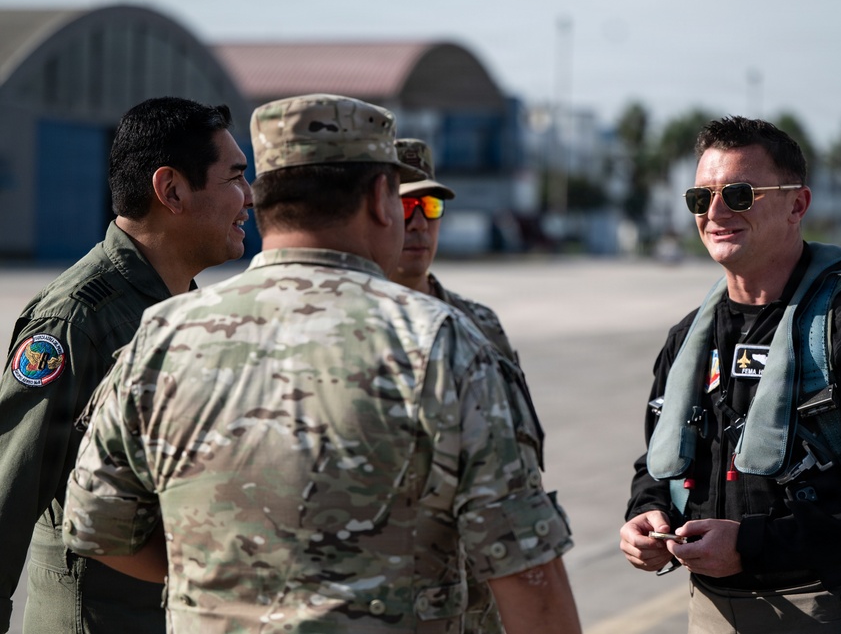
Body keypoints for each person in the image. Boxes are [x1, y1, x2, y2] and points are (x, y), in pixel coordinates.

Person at [62, 93, 581, 634]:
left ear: (263, 199)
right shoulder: (436, 341)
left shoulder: (164, 335)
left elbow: (97, 525)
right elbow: (526, 573)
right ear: (382, 197)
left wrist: (232, 578)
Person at [619, 116, 841, 633]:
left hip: (825, 605)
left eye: (740, 194)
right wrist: (647, 513)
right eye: (701, 197)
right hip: (712, 609)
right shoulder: (687, 339)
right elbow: (658, 461)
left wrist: (752, 547)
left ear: (797, 204)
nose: (715, 212)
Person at [0, 96, 252, 633]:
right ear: (172, 191)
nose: (249, 199)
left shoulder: (181, 309)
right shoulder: (77, 321)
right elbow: (6, 498)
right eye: (235, 178)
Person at [391, 138, 526, 633]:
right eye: (404, 205)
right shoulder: (345, 333)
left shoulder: (479, 324)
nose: (419, 223)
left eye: (430, 206)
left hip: (479, 609)